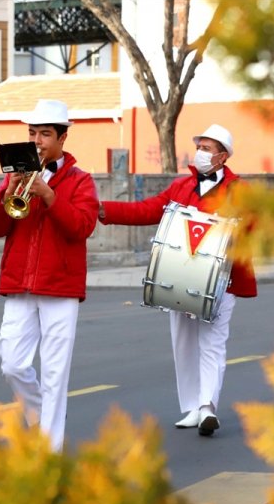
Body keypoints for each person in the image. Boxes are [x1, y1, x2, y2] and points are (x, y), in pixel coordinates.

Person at [98, 124, 257, 436]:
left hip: (220, 281)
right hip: (180, 276)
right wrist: (104, 209)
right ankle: (193, 407)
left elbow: (253, 226)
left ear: (222, 157)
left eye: (208, 148)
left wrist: (236, 227)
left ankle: (208, 406)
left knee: (212, 343)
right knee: (183, 343)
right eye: (200, 146)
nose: (201, 152)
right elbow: (148, 210)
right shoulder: (182, 187)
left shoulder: (240, 191)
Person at [0, 99, 99, 453]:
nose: (37, 141)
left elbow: (81, 227)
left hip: (60, 288)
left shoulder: (80, 181)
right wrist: (7, 191)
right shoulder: (14, 174)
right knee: (12, 364)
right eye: (32, 133)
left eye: (45, 134)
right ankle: (37, 415)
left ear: (62, 137)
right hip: (19, 285)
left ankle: (51, 452)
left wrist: (49, 195)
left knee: (55, 373)